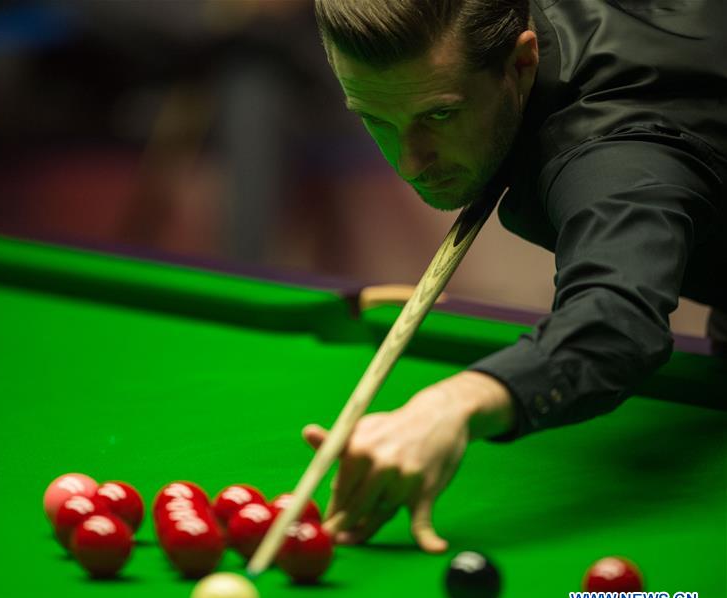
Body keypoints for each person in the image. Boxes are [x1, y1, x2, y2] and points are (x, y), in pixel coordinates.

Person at [303, 0, 727, 553]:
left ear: (522, 61)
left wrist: (451, 406)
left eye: (438, 115)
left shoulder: (617, 152)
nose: (411, 162)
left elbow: (616, 322)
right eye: (376, 119)